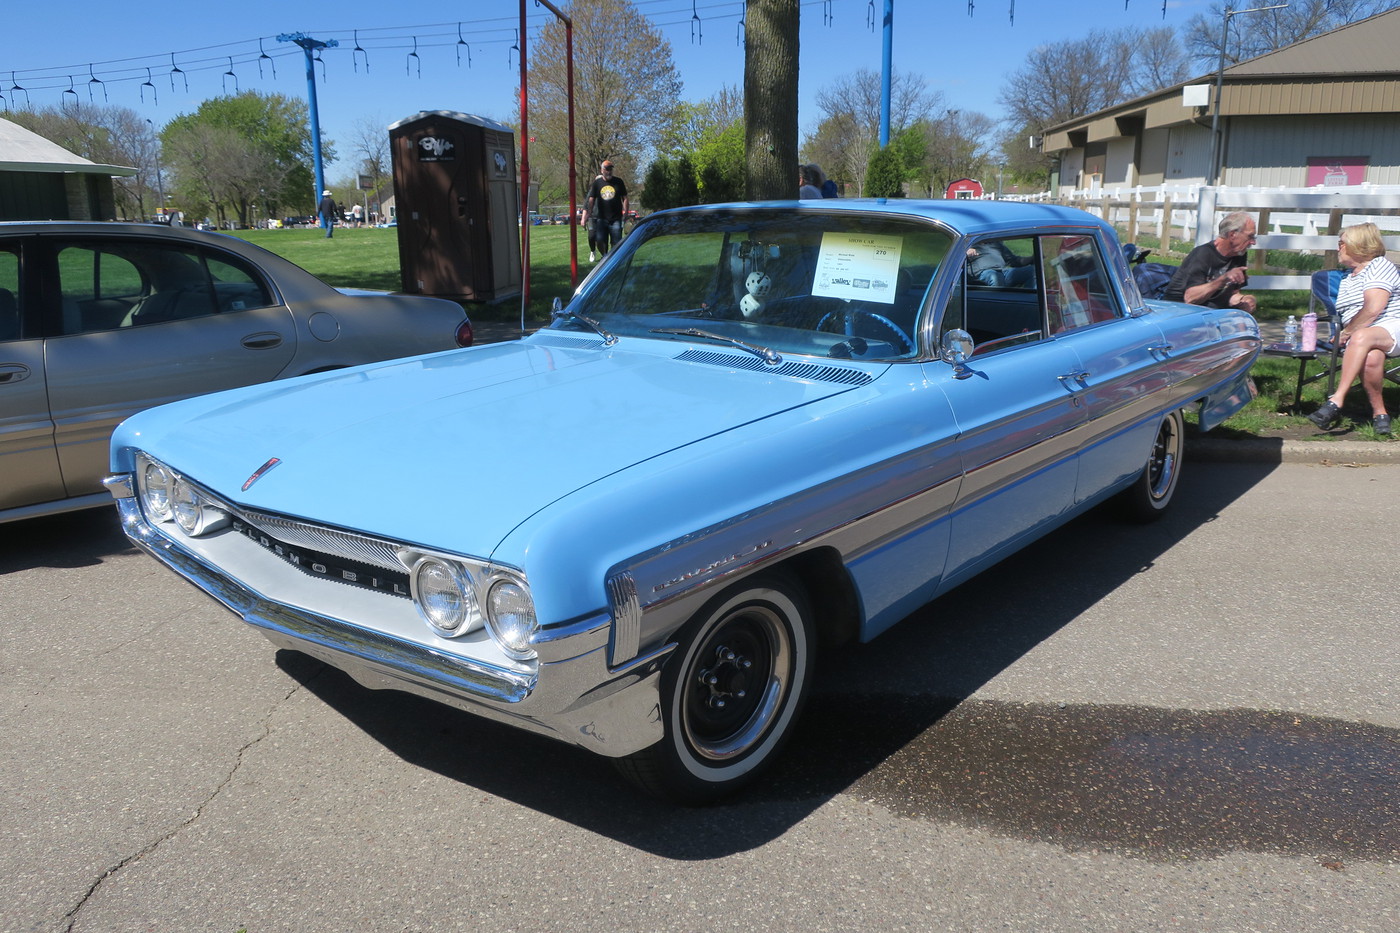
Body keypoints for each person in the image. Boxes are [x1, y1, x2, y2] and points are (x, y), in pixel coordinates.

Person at [1307, 222, 1400, 434]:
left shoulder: (1379, 266)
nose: (1338, 248)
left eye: (1342, 243)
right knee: (1371, 359)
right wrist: (1349, 332)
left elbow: (1373, 309)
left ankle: (1336, 401)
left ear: (1359, 246)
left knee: (1361, 337)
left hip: (1393, 327)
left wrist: (1347, 333)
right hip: (1364, 336)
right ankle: (1380, 414)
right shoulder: (1349, 279)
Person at [1161, 211, 1258, 313]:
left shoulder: (1239, 253)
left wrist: (1246, 300)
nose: (1253, 242)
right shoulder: (1203, 254)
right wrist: (1223, 279)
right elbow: (1190, 298)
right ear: (1232, 234)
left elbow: (1232, 295)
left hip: (1211, 314)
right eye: (1250, 236)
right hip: (1180, 312)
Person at [581, 160, 629, 260]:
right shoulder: (597, 183)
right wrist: (589, 212)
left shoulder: (618, 182)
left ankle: (614, 259)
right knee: (599, 240)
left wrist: (626, 212)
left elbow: (625, 198)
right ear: (602, 170)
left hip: (616, 218)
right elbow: (591, 198)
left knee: (616, 242)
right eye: (607, 169)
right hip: (601, 219)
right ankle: (605, 256)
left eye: (611, 169)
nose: (609, 171)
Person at [967, 240, 1035, 287]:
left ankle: (1032, 301)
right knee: (994, 276)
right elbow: (956, 258)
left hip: (1003, 273)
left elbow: (1015, 261)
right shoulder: (968, 245)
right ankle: (997, 305)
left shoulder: (996, 244)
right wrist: (965, 253)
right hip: (982, 274)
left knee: (1034, 271)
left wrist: (1033, 258)